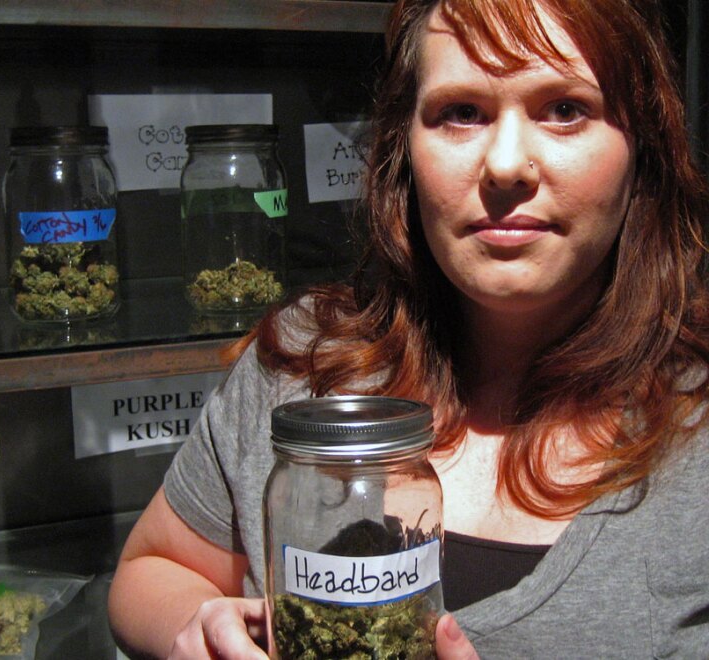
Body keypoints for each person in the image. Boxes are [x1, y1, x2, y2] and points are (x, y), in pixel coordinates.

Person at [108, 0, 709, 657]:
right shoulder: (305, 360)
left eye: (565, 109)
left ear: (641, 147)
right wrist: (198, 632)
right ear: (406, 148)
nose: (506, 165)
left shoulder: (696, 435)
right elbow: (152, 573)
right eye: (461, 112)